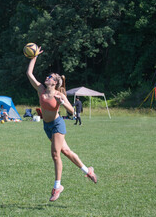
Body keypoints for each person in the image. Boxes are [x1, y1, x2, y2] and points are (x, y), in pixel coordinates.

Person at [26, 45, 97, 202]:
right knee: (66, 152)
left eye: (51, 77)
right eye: (48, 76)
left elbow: (73, 112)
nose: (47, 77)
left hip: (58, 125)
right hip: (47, 126)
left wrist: (63, 103)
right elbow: (29, 73)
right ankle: (88, 170)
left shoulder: (59, 95)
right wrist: (34, 57)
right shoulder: (41, 90)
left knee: (55, 154)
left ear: (55, 82)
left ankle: (57, 186)